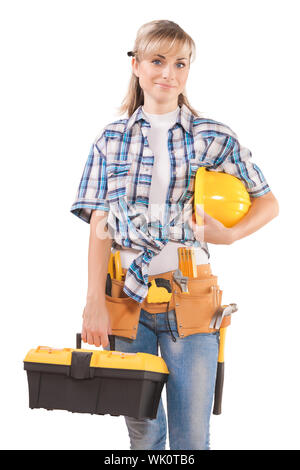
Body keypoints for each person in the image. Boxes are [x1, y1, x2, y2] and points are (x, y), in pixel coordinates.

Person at [70, 20, 279, 450]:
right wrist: (93, 302)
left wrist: (230, 236)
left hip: (193, 300)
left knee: (191, 440)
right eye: (157, 61)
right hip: (124, 300)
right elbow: (99, 226)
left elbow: (268, 202)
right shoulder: (110, 140)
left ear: (188, 70)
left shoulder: (212, 136)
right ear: (137, 65)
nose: (168, 73)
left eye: (180, 64)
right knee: (143, 435)